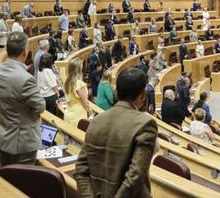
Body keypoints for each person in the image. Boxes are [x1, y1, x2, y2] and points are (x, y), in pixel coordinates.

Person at [75, 68, 157, 197]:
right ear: (143, 95)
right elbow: (135, 175)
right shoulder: (145, 123)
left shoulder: (96, 120)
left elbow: (81, 169)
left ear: (116, 93)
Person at [0, 31, 45, 165]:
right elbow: (40, 106)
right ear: (25, 52)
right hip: (22, 142)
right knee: (22, 183)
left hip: (2, 137)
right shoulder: (26, 79)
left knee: (7, 178)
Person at [64, 59, 91, 126]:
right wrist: (90, 113)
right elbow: (86, 103)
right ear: (79, 70)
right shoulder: (79, 84)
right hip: (78, 116)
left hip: (68, 113)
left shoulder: (66, 82)